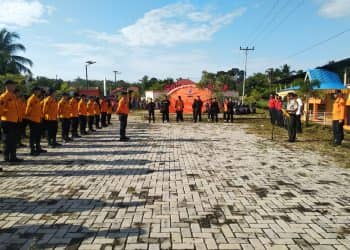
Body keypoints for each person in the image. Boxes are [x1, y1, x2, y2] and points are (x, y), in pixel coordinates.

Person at [0, 80, 23, 165]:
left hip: (14, 121)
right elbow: (1, 110)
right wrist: (6, 113)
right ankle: (7, 157)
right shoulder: (4, 96)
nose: (14, 87)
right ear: (7, 86)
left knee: (14, 140)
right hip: (7, 121)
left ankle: (13, 156)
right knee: (7, 140)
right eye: (13, 85)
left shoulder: (13, 96)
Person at [26, 87, 46, 155]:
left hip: (38, 119)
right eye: (38, 91)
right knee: (33, 135)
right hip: (33, 120)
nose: (39, 92)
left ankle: (38, 147)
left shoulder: (37, 99)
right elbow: (28, 110)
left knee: (38, 135)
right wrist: (30, 117)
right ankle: (32, 149)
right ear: (34, 91)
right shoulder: (31, 99)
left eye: (40, 91)